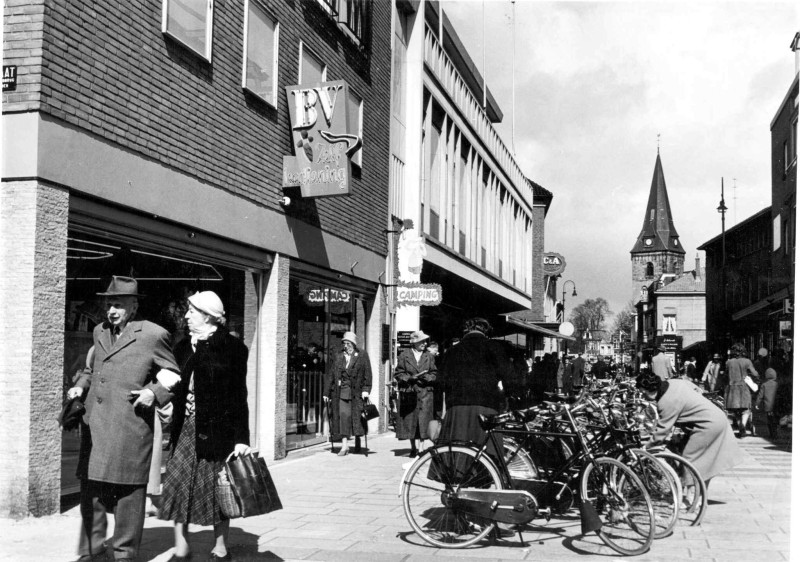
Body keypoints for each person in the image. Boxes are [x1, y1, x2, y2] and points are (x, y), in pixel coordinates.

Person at [68, 276, 180, 562]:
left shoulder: (152, 334)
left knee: (129, 496)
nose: (111, 310)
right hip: (95, 426)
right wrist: (81, 385)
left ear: (134, 305)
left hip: (129, 426)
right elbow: (92, 369)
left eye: (118, 304)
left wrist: (153, 392)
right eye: (109, 303)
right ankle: (94, 553)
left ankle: (124, 555)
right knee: (91, 494)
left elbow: (172, 373)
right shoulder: (99, 331)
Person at [158, 291, 251, 561]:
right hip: (184, 428)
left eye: (191, 311)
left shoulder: (233, 349)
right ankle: (181, 544)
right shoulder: (182, 347)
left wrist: (241, 438)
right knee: (176, 483)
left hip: (216, 430)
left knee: (216, 488)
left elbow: (238, 396)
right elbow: (171, 382)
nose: (186, 316)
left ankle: (220, 544)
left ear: (209, 316)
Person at [638, 372, 743, 490]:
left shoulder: (666, 402)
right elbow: (698, 390)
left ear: (650, 390)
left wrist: (646, 447)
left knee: (690, 459)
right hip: (716, 417)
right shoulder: (675, 382)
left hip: (707, 425)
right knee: (704, 461)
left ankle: (690, 498)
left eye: (643, 392)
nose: (643, 395)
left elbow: (662, 431)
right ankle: (700, 495)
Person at [438, 317, 513, 458]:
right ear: (485, 330)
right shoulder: (494, 347)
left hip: (457, 409)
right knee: (487, 456)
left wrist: (437, 413)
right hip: (487, 407)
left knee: (456, 452)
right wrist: (509, 398)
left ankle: (458, 478)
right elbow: (508, 376)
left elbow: (440, 382)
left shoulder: (452, 351)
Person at [323, 331, 373, 456]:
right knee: (343, 417)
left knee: (357, 418)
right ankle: (344, 446)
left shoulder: (362, 355)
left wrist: (366, 390)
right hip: (342, 392)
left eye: (348, 343)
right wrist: (326, 392)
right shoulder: (339, 356)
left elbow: (368, 374)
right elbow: (331, 375)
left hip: (357, 393)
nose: (346, 345)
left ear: (353, 344)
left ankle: (357, 439)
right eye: (344, 343)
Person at [394, 331, 438, 457]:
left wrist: (428, 378)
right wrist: (408, 378)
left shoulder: (429, 356)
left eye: (425, 341)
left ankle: (421, 448)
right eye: (421, 341)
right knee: (411, 421)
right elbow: (398, 373)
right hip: (410, 393)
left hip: (425, 394)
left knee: (424, 422)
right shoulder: (404, 355)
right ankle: (413, 447)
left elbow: (434, 373)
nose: (424, 344)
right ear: (414, 343)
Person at [724, 343, 759, 438]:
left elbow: (725, 375)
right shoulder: (747, 361)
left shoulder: (728, 362)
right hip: (743, 388)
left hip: (732, 388)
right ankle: (742, 425)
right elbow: (755, 374)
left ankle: (740, 427)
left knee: (736, 410)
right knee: (746, 409)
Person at [755, 368, 779, 439]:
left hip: (768, 406)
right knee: (775, 420)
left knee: (769, 420)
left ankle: (771, 434)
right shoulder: (777, 384)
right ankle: (775, 434)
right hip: (775, 405)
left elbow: (760, 395)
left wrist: (757, 404)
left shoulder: (764, 385)